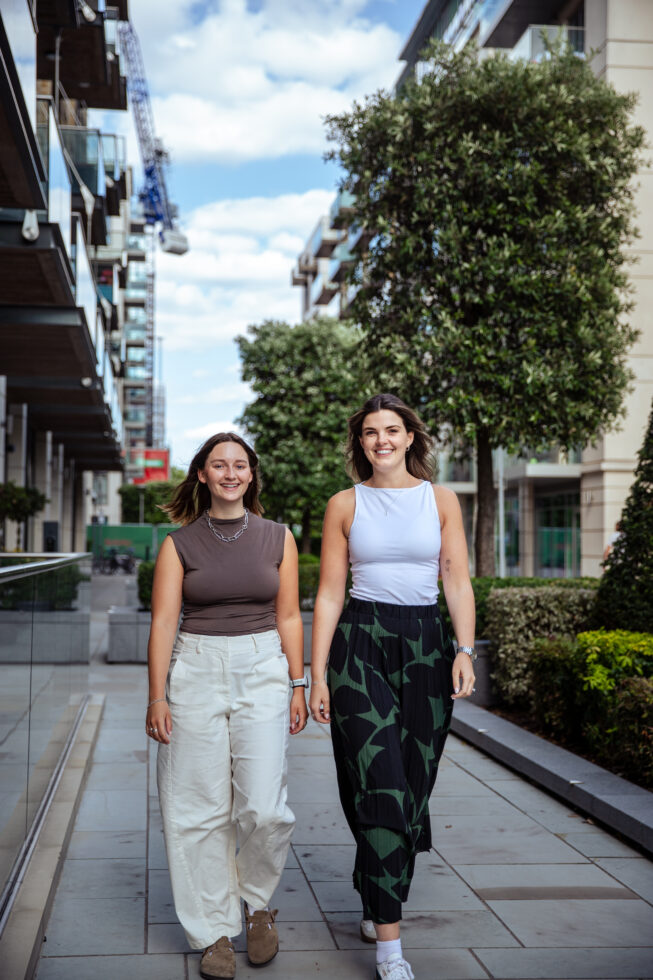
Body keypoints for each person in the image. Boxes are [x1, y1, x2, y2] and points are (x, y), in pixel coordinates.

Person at [309, 394, 476, 980]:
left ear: (410, 438)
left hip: (427, 643)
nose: (381, 440)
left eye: (392, 430)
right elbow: (329, 593)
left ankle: (371, 883)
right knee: (379, 782)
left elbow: (455, 577)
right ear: (360, 443)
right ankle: (390, 947)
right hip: (360, 642)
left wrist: (464, 649)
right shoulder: (344, 505)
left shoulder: (442, 500)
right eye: (370, 432)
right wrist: (316, 674)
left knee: (413, 783)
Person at [145, 432, 308, 980]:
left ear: (252, 475)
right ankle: (213, 929)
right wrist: (157, 695)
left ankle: (258, 903)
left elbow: (290, 616)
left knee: (264, 806)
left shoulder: (278, 538)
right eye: (220, 465)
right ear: (202, 475)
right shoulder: (179, 544)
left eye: (240, 465)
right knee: (196, 808)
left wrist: (299, 683)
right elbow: (164, 622)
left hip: (264, 666)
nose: (231, 473)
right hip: (194, 668)